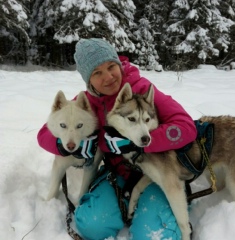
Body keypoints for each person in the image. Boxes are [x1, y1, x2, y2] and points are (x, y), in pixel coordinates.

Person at [37, 38, 197, 240]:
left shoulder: (142, 89)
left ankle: (167, 218)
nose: (108, 77)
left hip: (156, 174)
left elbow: (186, 127)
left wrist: (138, 142)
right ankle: (124, 207)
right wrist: (63, 145)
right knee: (90, 226)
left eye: (111, 66)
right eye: (97, 73)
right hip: (118, 174)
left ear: (119, 65)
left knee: (154, 236)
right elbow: (44, 133)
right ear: (89, 80)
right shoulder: (88, 102)